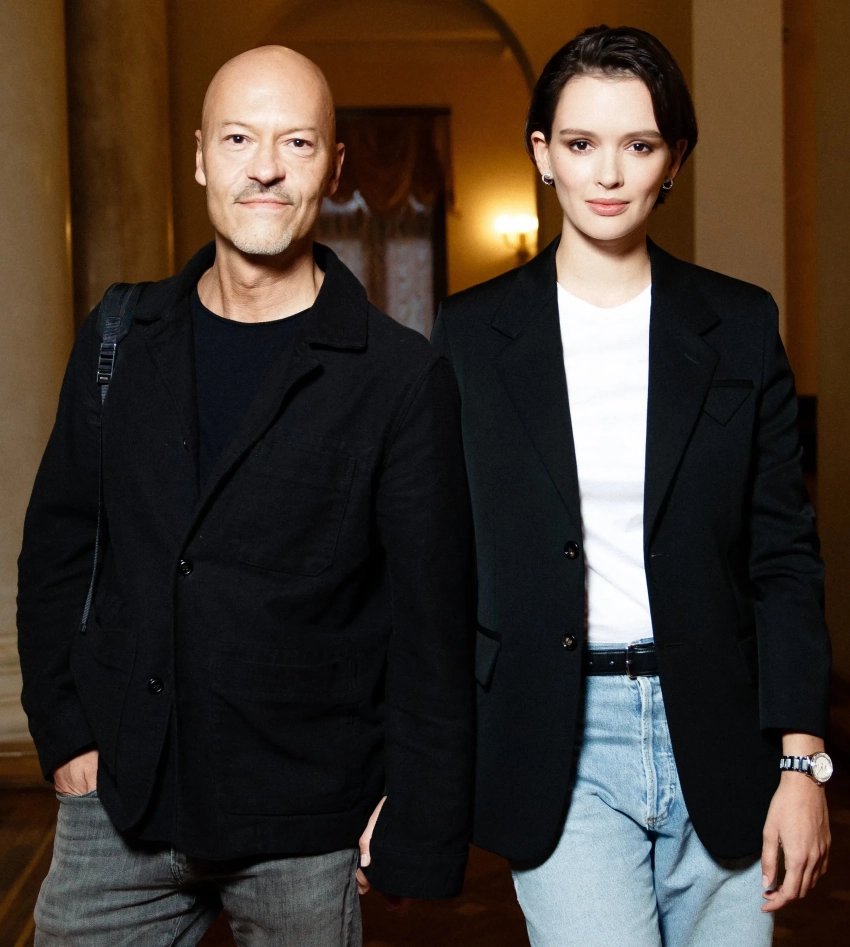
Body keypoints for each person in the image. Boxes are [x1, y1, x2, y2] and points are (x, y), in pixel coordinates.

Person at [18, 45, 474, 946]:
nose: (265, 167)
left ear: (333, 168)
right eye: (238, 138)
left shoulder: (400, 376)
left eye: (296, 142)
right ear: (200, 157)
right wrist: (66, 736)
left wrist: (418, 812)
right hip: (120, 802)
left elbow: (433, 623)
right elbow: (58, 550)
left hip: (305, 819)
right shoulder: (117, 337)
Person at [431, 25, 831, 947]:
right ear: (543, 154)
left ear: (673, 159)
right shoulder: (471, 335)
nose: (608, 173)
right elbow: (439, 567)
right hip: (557, 735)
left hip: (722, 728)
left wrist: (802, 763)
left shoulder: (739, 325)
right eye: (581, 144)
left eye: (639, 144)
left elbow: (783, 555)